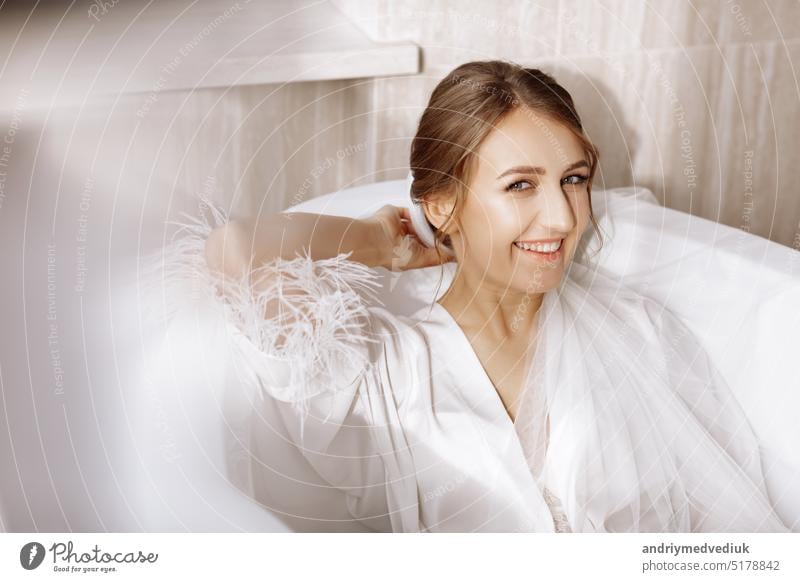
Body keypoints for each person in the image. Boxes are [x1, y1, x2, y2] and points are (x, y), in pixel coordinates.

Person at [146, 59, 789, 533]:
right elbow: (231, 249)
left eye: (574, 180)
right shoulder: (388, 372)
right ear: (443, 204)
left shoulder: (640, 333)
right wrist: (374, 240)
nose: (563, 219)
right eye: (519, 186)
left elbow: (729, 528)